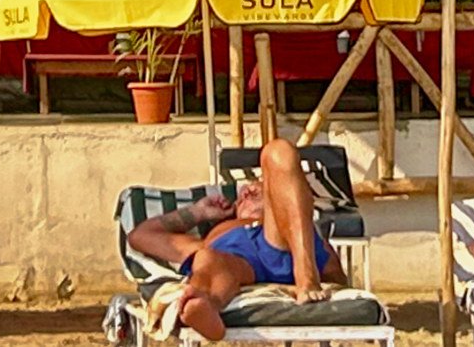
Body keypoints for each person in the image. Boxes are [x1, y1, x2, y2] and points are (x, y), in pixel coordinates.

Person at [122, 135, 330, 340]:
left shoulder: (296, 223)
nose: (246, 191)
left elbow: (332, 267)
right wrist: (198, 212)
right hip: (230, 263)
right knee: (206, 258)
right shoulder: (218, 235)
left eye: (256, 187)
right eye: (241, 199)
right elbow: (140, 237)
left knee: (277, 150)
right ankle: (203, 305)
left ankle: (306, 277)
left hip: (282, 245)